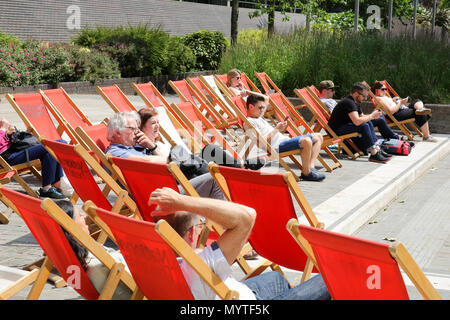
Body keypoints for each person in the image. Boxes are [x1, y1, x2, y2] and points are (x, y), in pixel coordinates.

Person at [149, 187, 331, 300]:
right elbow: (246, 216)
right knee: (331, 278)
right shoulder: (203, 263)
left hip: (236, 292)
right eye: (200, 226)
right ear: (191, 233)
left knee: (277, 279)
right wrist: (182, 201)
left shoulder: (150, 262)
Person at [105, 111, 224, 200]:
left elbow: (154, 159)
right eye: (132, 129)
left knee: (199, 159)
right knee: (214, 178)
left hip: (169, 184)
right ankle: (228, 226)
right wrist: (174, 159)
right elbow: (146, 161)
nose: (137, 133)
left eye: (137, 129)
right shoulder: (115, 153)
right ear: (117, 132)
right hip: (161, 194)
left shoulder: (132, 147)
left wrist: (152, 146)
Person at [137, 107, 265, 171]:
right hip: (183, 170)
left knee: (211, 149)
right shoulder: (146, 146)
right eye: (153, 123)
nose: (157, 126)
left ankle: (241, 166)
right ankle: (242, 167)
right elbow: (163, 162)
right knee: (212, 153)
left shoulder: (157, 142)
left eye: (158, 122)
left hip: (188, 162)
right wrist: (152, 146)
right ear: (142, 127)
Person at [56, 200, 133, 299]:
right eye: (79, 215)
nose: (84, 216)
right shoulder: (99, 264)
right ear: (71, 227)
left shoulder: (70, 258)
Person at [245, 94, 326, 182]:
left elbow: (267, 98)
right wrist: (276, 129)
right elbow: (261, 142)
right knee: (306, 141)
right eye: (260, 107)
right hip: (275, 147)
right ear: (251, 107)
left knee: (318, 136)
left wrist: (247, 91)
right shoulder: (249, 122)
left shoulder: (258, 116)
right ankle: (306, 173)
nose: (262, 110)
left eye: (263, 107)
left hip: (284, 141)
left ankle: (311, 167)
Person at [328, 82, 400, 164]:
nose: (365, 98)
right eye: (364, 96)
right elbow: (357, 121)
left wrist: (374, 116)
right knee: (364, 126)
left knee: (370, 121)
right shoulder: (349, 102)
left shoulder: (355, 102)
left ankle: (377, 149)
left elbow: (362, 116)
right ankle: (374, 153)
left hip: (346, 125)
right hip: (337, 130)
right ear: (355, 93)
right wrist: (372, 116)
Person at [0, 118, 66, 199]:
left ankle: (55, 185)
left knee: (60, 144)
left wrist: (10, 133)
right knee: (50, 147)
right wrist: (2, 129)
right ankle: (47, 188)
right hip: (6, 159)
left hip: (14, 150)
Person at [372, 81, 436, 142]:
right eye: (383, 89)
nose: (385, 91)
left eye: (386, 89)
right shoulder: (379, 99)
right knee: (417, 113)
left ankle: (420, 109)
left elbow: (389, 105)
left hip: (400, 110)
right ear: (377, 90)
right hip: (396, 115)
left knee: (417, 101)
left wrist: (394, 100)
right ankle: (426, 136)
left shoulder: (383, 97)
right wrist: (400, 103)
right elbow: (391, 111)